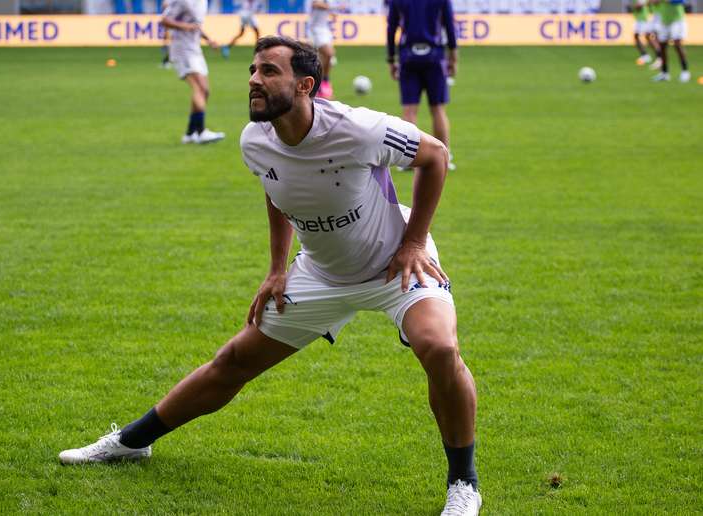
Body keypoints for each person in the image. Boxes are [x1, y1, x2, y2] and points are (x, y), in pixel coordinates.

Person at [58, 36, 482, 516]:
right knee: (232, 362)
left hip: (396, 263)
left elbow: (436, 156)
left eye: (269, 71)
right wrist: (278, 268)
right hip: (321, 273)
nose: (255, 80)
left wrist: (411, 242)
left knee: (440, 347)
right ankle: (131, 442)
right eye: (253, 70)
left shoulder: (359, 128)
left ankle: (464, 484)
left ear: (305, 85)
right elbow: (276, 189)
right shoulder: (253, 139)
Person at [387, 0, 458, 171]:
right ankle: (444, 158)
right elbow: (449, 25)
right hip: (434, 56)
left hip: (408, 56)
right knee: (438, 110)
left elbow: (391, 28)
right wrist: (453, 56)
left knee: (409, 111)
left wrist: (391, 58)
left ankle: (407, 160)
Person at [161, 0, 225, 144]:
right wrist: (186, 26)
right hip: (182, 49)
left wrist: (208, 40)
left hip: (194, 49)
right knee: (199, 88)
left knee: (205, 91)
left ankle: (190, 134)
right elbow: (164, 20)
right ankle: (201, 132)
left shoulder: (202, 2)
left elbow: (196, 25)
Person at [651, 0, 691, 82]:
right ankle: (664, 73)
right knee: (662, 46)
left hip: (677, 19)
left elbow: (683, 1)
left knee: (677, 44)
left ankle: (685, 72)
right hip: (664, 19)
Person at [308, 0, 337, 99]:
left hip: (325, 29)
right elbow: (316, 4)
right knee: (328, 53)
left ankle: (320, 85)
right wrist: (331, 8)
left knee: (325, 58)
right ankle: (324, 81)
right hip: (315, 30)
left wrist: (331, 12)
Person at [627, 0, 659, 65]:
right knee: (639, 36)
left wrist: (636, 6)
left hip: (644, 18)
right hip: (639, 18)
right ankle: (646, 55)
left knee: (648, 37)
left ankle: (658, 56)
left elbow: (640, 6)